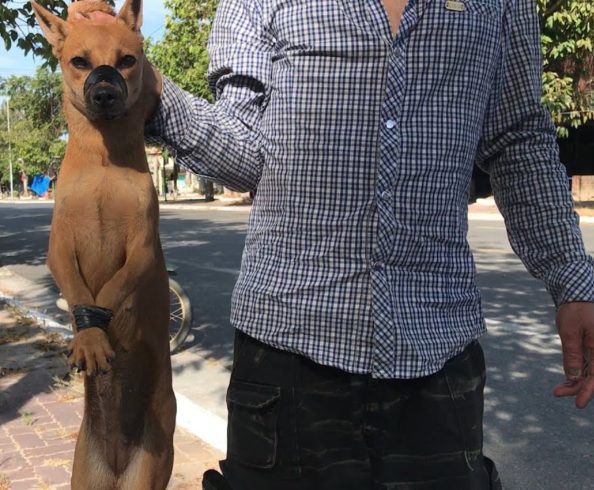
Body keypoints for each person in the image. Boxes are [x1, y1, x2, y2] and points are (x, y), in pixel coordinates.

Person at [79, 0, 594, 488]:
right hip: (288, 362)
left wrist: (572, 280)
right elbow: (244, 151)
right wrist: (144, 83)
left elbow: (518, 138)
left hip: (438, 357)